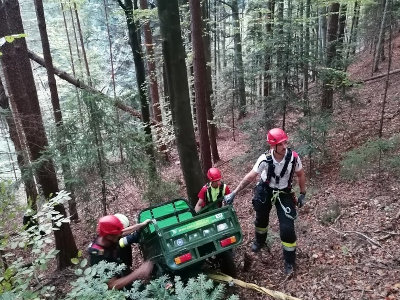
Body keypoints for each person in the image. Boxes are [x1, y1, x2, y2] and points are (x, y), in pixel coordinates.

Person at [224, 128, 306, 275]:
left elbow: (300, 174)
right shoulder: (265, 159)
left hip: (284, 193)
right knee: (261, 219)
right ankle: (259, 241)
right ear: (272, 146)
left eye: (285, 142)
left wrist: (303, 193)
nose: (284, 146)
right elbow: (250, 177)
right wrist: (234, 193)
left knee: (287, 228)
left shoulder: (293, 158)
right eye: (281, 144)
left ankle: (289, 261)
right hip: (265, 189)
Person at [88, 214, 153, 290]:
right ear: (109, 236)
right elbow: (112, 285)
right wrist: (138, 272)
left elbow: (121, 232)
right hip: (115, 288)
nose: (120, 236)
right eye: (116, 235)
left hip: (120, 270)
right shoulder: (98, 256)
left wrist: (140, 225)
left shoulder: (105, 236)